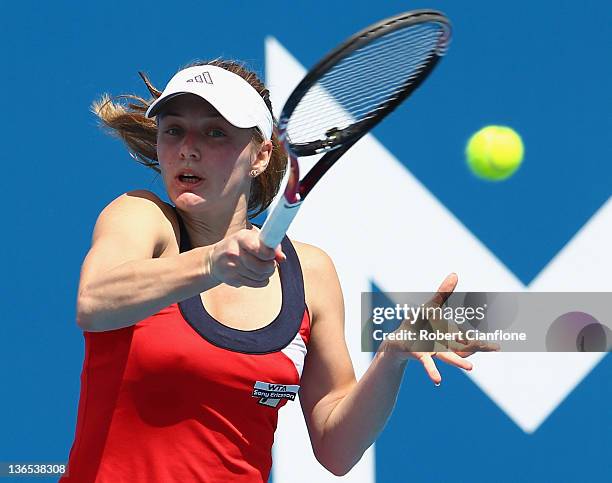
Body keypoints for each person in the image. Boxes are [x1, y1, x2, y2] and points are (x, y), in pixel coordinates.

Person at [61, 59, 482, 482]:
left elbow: (336, 448)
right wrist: (211, 262)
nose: (188, 147)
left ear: (261, 155)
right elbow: (95, 301)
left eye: (214, 132)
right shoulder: (141, 217)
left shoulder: (310, 273)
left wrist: (391, 357)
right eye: (173, 130)